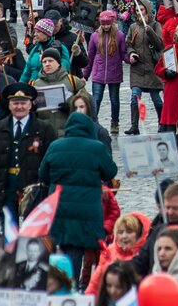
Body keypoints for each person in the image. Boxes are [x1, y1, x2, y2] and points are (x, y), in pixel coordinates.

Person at [39, 112, 118, 284]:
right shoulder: (96, 147)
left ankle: (57, 284)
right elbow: (110, 171)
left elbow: (43, 174)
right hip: (86, 208)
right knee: (76, 247)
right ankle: (70, 287)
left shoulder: (55, 146)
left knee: (63, 245)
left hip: (58, 205)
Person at [0, 83, 57, 229]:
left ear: (30, 105)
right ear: (9, 105)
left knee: (31, 236)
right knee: (9, 236)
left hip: (33, 188)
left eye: (23, 103)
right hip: (6, 187)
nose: (19, 107)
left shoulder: (44, 129)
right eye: (15, 103)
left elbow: (52, 161)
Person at [85, 213, 150, 295]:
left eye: (129, 232)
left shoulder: (145, 255)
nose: (124, 236)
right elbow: (94, 284)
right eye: (120, 232)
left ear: (138, 234)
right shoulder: (109, 252)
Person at [83, 12, 127, 134]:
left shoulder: (119, 36)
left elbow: (123, 54)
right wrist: (85, 74)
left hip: (114, 72)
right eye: (104, 24)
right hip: (99, 73)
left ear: (112, 23)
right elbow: (90, 57)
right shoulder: (94, 36)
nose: (106, 27)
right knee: (96, 99)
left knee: (114, 99)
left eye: (108, 24)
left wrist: (131, 59)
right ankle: (93, 122)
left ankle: (115, 122)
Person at [125, 0, 163, 135]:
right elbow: (129, 44)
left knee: (157, 100)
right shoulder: (133, 27)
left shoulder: (156, 25)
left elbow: (160, 44)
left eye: (141, 9)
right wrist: (132, 53)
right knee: (135, 97)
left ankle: (162, 123)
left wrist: (150, 32)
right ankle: (134, 126)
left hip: (152, 69)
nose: (139, 12)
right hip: (138, 68)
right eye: (137, 10)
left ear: (147, 10)